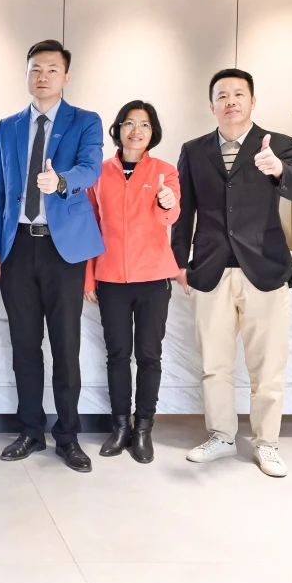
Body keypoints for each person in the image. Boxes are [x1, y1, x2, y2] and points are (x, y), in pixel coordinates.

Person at [173, 68, 292, 478]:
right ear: (211, 105)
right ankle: (221, 436)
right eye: (222, 95)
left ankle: (267, 443)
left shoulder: (279, 144)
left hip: (264, 268)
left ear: (252, 101)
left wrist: (278, 170)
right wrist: (179, 262)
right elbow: (184, 211)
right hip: (211, 269)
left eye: (238, 94)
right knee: (215, 363)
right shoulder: (194, 150)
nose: (230, 101)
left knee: (267, 366)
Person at [0, 39, 104, 473]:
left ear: (66, 76)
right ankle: (31, 431)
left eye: (52, 69)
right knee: (24, 345)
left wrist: (61, 182)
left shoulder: (85, 121)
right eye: (36, 68)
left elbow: (91, 168)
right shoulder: (7, 127)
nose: (43, 76)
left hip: (63, 250)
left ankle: (68, 436)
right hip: (17, 246)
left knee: (65, 346)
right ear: (26, 74)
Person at [84, 100, 180, 464]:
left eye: (144, 124)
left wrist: (166, 201)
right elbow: (91, 226)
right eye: (128, 123)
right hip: (110, 279)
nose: (136, 130)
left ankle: (143, 429)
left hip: (153, 278)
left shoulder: (164, 172)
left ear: (153, 132)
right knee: (117, 355)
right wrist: (89, 277)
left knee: (149, 355)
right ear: (118, 130)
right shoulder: (99, 173)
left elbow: (170, 215)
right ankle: (120, 427)